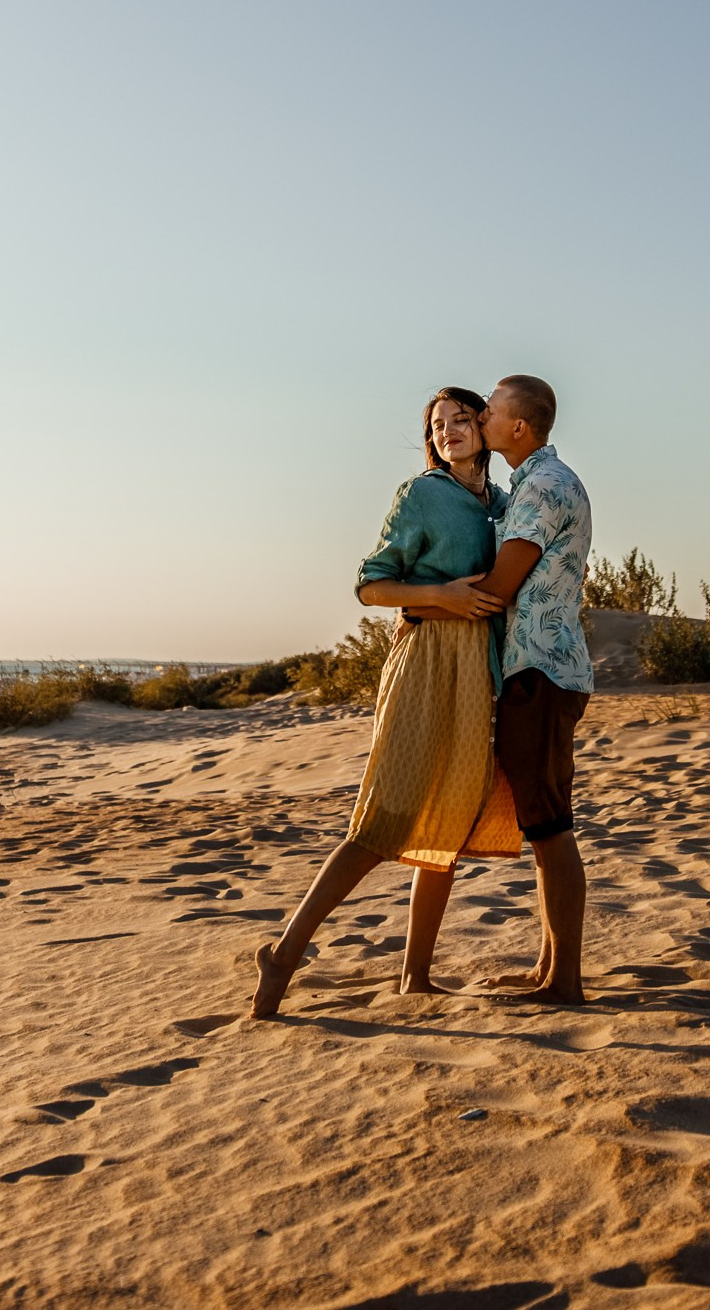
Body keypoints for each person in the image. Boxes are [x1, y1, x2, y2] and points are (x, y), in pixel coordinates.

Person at [251, 387, 522, 1019]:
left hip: (478, 670)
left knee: (450, 818)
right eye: (438, 424)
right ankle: (285, 954)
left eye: (461, 419)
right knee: (384, 816)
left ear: (484, 425)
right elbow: (371, 584)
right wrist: (441, 598)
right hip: (426, 661)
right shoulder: (422, 494)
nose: (450, 431)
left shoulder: (504, 505)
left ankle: (415, 977)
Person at [456, 374, 593, 1004]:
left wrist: (422, 601)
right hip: (543, 668)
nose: (481, 414)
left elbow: (500, 586)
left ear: (520, 427)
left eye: (491, 407)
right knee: (546, 823)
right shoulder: (536, 482)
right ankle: (548, 970)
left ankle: (563, 980)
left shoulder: (541, 486)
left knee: (549, 825)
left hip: (540, 670)